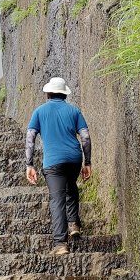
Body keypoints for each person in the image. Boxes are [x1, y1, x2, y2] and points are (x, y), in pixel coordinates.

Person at [25, 77, 92, 256]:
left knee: (57, 199)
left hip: (53, 162)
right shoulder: (74, 111)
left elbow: (30, 138)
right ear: (64, 94)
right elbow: (85, 137)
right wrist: (88, 162)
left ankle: (60, 243)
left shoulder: (39, 111)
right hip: (74, 159)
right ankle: (74, 224)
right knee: (70, 186)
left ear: (48, 93)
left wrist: (29, 164)